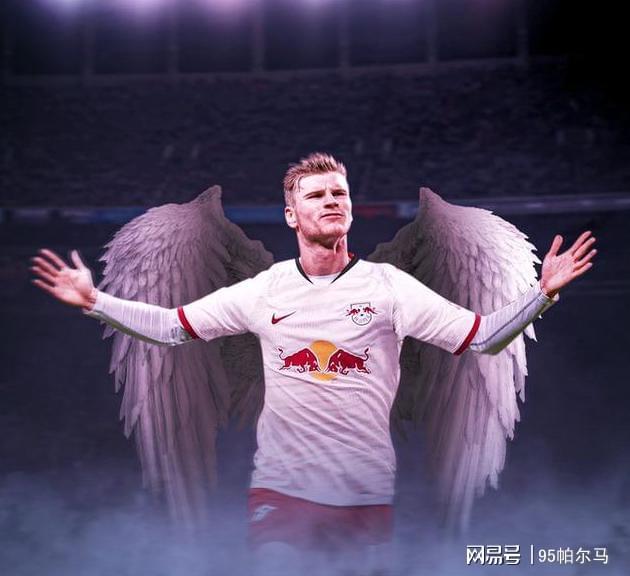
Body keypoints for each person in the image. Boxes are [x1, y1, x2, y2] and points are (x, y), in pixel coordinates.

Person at [31, 153, 596, 572]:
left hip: (366, 496)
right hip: (282, 494)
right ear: (291, 215)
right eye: (317, 195)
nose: (332, 201)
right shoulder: (265, 289)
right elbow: (172, 327)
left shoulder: (389, 287)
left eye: (339, 193)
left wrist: (542, 293)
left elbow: (482, 337)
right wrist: (94, 301)